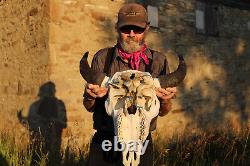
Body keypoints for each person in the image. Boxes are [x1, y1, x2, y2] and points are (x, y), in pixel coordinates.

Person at [80, 3, 177, 166]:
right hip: (105, 141)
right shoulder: (102, 58)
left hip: (141, 142)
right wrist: (90, 96)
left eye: (137, 29)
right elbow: (89, 107)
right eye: (126, 29)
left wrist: (166, 100)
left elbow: (163, 112)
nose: (131, 34)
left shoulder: (158, 61)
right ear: (117, 28)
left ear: (146, 29)